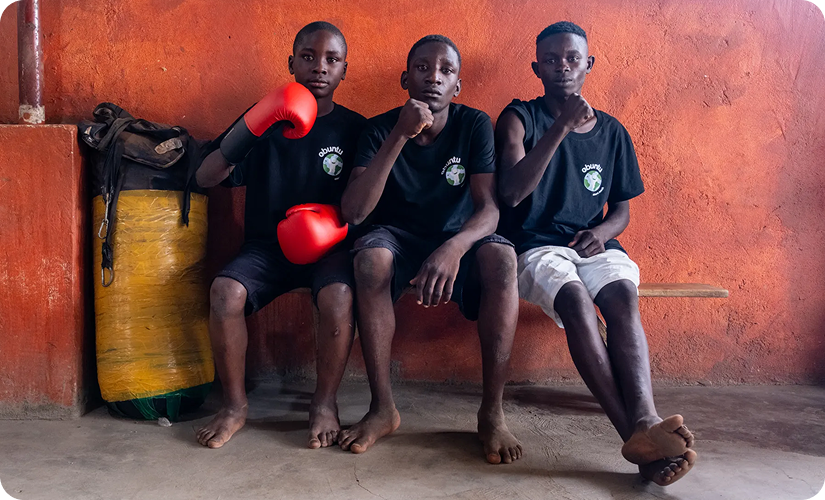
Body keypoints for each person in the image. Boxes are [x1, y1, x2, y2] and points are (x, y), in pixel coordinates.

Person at [495, 21, 696, 485]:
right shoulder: (519, 118)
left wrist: (603, 231)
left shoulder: (613, 132)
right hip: (535, 245)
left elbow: (621, 210)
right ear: (536, 67)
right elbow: (510, 194)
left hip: (593, 244)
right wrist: (561, 127)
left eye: (571, 58)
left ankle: (645, 418)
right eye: (551, 60)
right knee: (576, 303)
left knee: (624, 298)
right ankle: (634, 434)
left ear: (588, 64)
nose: (562, 67)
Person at [338, 35, 523, 464]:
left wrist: (453, 249)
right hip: (397, 236)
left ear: (457, 85)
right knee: (369, 261)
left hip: (457, 235)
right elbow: (355, 212)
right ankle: (382, 408)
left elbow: (490, 210)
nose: (433, 78)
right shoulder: (379, 128)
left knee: (502, 258)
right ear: (406, 78)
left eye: (445, 71)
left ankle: (492, 413)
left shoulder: (474, 124)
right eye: (422, 68)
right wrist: (400, 135)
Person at [194, 21, 366, 450]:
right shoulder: (265, 115)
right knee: (224, 292)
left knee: (339, 297)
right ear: (292, 63)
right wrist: (251, 129)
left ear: (345, 69)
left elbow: (367, 204)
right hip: (266, 249)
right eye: (308, 57)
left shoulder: (357, 129)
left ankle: (324, 403)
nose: (319, 68)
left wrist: (332, 227)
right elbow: (205, 176)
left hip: (330, 250)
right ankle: (234, 406)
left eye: (331, 60)